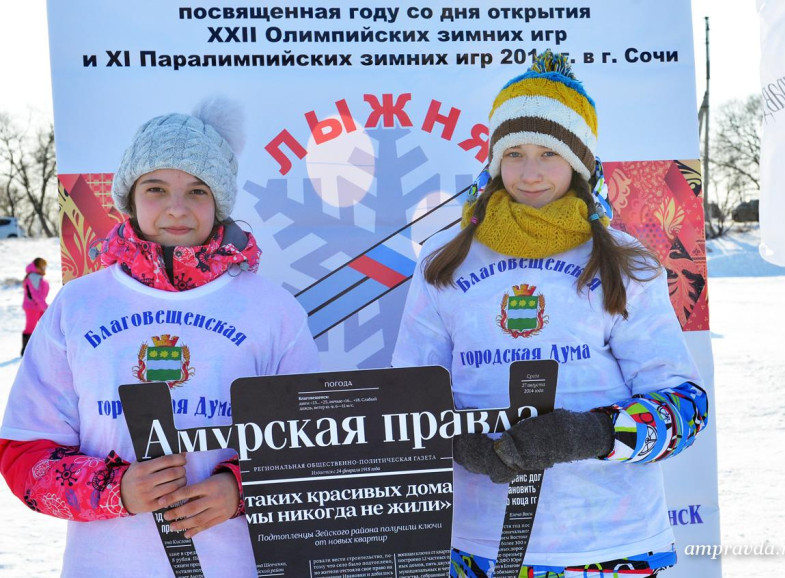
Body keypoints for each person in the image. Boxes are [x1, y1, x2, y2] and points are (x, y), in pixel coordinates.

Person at [392, 50, 708, 577]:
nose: (530, 172)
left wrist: (593, 434)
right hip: (477, 542)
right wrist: (455, 441)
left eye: (549, 153)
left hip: (607, 541)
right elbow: (407, 398)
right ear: (495, 160)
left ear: (579, 163)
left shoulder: (624, 261)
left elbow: (685, 408)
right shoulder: (444, 261)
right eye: (514, 152)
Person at [0, 101, 320, 577]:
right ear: (130, 199)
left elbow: (316, 445)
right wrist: (115, 489)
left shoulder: (272, 309)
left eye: (197, 191)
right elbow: (25, 452)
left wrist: (240, 490)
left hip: (237, 566)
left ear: (219, 203)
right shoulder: (79, 304)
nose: (177, 207)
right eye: (156, 189)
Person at [21, 257, 50, 355]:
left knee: (46, 324)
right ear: (37, 266)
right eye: (43, 266)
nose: (44, 268)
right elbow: (36, 295)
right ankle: (25, 350)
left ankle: (43, 347)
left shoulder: (35, 276)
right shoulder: (33, 277)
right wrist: (45, 307)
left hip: (38, 306)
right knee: (30, 327)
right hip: (32, 307)